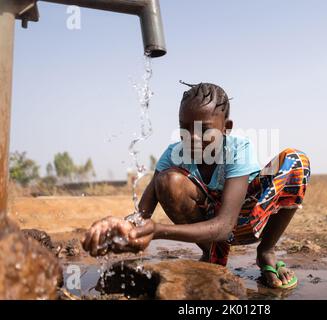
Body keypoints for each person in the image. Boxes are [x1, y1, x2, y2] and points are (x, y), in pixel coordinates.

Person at [82, 82, 311, 289]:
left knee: (296, 160)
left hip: (246, 219)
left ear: (226, 128)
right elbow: (141, 215)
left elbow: (225, 226)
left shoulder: (238, 150)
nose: (192, 137)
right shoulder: (174, 154)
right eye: (185, 127)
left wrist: (158, 231)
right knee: (167, 180)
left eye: (204, 129)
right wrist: (117, 226)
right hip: (208, 228)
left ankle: (266, 252)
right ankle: (211, 254)